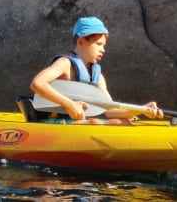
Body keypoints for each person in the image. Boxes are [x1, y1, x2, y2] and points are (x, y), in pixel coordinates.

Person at [30, 16, 163, 124]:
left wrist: (141, 110)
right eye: (98, 44)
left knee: (122, 122)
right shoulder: (65, 63)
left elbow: (110, 110)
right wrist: (68, 104)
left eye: (103, 45)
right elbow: (37, 83)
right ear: (81, 42)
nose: (103, 50)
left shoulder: (98, 77)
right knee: (96, 123)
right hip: (54, 121)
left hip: (81, 122)